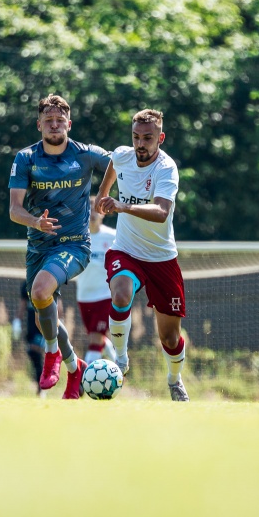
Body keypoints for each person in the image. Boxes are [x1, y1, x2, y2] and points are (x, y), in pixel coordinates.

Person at [8, 94, 110, 399]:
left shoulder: (86, 154)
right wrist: (36, 222)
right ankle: (74, 366)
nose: (54, 125)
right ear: (39, 124)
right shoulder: (26, 158)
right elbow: (15, 210)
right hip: (38, 247)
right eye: (48, 120)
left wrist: (104, 195)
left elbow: (120, 163)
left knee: (39, 292)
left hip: (75, 245)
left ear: (69, 122)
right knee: (43, 313)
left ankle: (52, 355)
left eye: (59, 119)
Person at [96, 109, 189, 401]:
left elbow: (161, 212)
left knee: (169, 338)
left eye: (148, 138)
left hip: (162, 258)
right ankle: (121, 359)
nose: (140, 144)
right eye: (136, 137)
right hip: (126, 250)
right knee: (120, 294)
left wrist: (122, 205)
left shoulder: (166, 168)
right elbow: (114, 163)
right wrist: (103, 194)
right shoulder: (123, 155)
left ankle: (174, 380)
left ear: (160, 138)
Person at [73, 195, 118, 364]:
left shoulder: (113, 236)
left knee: (95, 340)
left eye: (96, 209)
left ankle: (84, 380)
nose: (92, 213)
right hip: (84, 296)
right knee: (97, 336)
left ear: (103, 213)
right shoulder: (77, 238)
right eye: (89, 209)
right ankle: (120, 364)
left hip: (105, 296)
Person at [14, 280, 47, 395]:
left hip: (43, 324)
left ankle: (42, 386)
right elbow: (22, 304)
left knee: (35, 349)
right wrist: (17, 320)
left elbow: (59, 304)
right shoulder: (26, 284)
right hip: (31, 325)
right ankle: (42, 383)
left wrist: (59, 322)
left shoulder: (50, 280)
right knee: (32, 352)